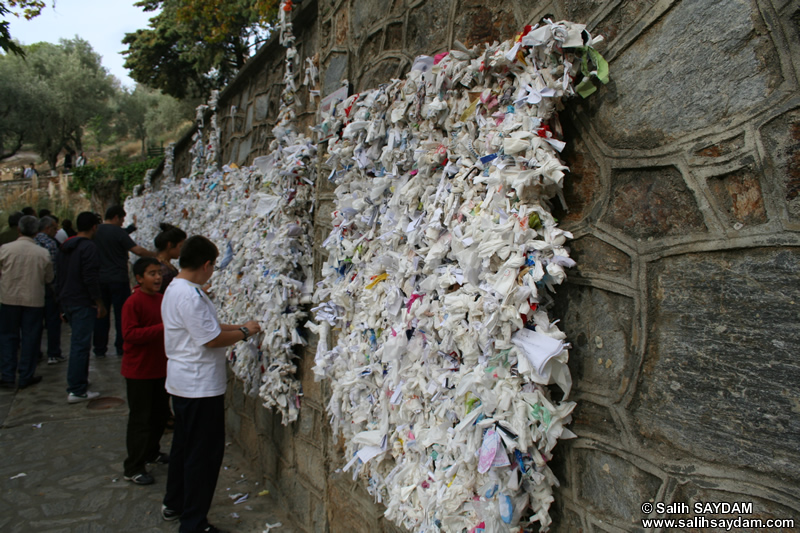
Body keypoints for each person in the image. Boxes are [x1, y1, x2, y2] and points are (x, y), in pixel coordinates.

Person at [161, 236, 261, 533]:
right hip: (198, 386)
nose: (213, 271)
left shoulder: (176, 288)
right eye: (213, 266)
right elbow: (211, 339)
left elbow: (210, 327)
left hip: (182, 383)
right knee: (203, 456)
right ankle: (193, 523)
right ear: (206, 265)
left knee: (183, 447)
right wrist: (244, 333)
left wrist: (242, 326)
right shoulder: (191, 296)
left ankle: (174, 503)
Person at [121, 257, 170, 486]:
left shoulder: (162, 299)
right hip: (139, 371)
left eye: (159, 273)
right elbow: (130, 335)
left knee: (159, 415)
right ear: (139, 278)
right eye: (152, 273)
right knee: (141, 419)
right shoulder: (133, 303)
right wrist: (162, 328)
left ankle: (152, 452)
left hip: (160, 368)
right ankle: (134, 466)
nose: (158, 277)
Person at [93, 205, 155, 358]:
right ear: (115, 217)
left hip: (100, 280)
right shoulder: (117, 232)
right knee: (122, 314)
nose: (122, 223)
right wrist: (156, 256)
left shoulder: (95, 231)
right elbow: (137, 251)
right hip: (118, 279)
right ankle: (121, 346)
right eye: (121, 219)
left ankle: (99, 348)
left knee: (102, 314)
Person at [56, 211, 106, 403]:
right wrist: (98, 302)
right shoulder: (89, 248)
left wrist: (60, 303)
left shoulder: (66, 246)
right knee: (80, 345)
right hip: (82, 301)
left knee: (77, 343)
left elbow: (58, 275)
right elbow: (90, 278)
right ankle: (77, 389)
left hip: (67, 300)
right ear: (94, 227)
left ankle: (78, 381)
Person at [0, 215, 53, 389]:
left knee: (8, 337)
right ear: (36, 232)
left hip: (9, 298)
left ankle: (7, 375)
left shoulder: (5, 249)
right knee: (31, 338)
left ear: (18, 229)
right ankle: (26, 375)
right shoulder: (42, 253)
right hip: (33, 299)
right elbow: (49, 278)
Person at [35, 216, 65, 365]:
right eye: (54, 228)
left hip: (34, 288)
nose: (57, 231)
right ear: (47, 229)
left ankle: (35, 352)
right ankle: (53, 353)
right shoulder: (51, 244)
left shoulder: (33, 241)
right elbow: (53, 270)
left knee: (35, 323)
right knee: (52, 320)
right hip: (49, 288)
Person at [155, 223, 187, 293]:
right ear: (170, 245)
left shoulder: (165, 264)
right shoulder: (163, 269)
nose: (182, 250)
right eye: (180, 246)